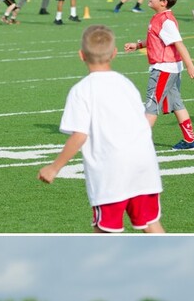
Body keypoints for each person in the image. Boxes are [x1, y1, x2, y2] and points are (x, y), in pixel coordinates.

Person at [40, 24, 164, 233]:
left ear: (81, 55)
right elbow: (144, 120)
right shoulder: (126, 84)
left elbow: (79, 135)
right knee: (151, 223)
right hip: (144, 167)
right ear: (114, 53)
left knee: (104, 230)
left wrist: (54, 167)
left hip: (111, 172)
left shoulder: (81, 90)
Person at [124, 0, 194, 152]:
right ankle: (190, 140)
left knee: (151, 105)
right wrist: (138, 45)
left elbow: (179, 44)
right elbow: (156, 40)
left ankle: (138, 143)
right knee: (177, 103)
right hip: (169, 69)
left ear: (163, 2)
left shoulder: (166, 21)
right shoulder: (159, 18)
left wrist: (190, 65)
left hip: (164, 70)